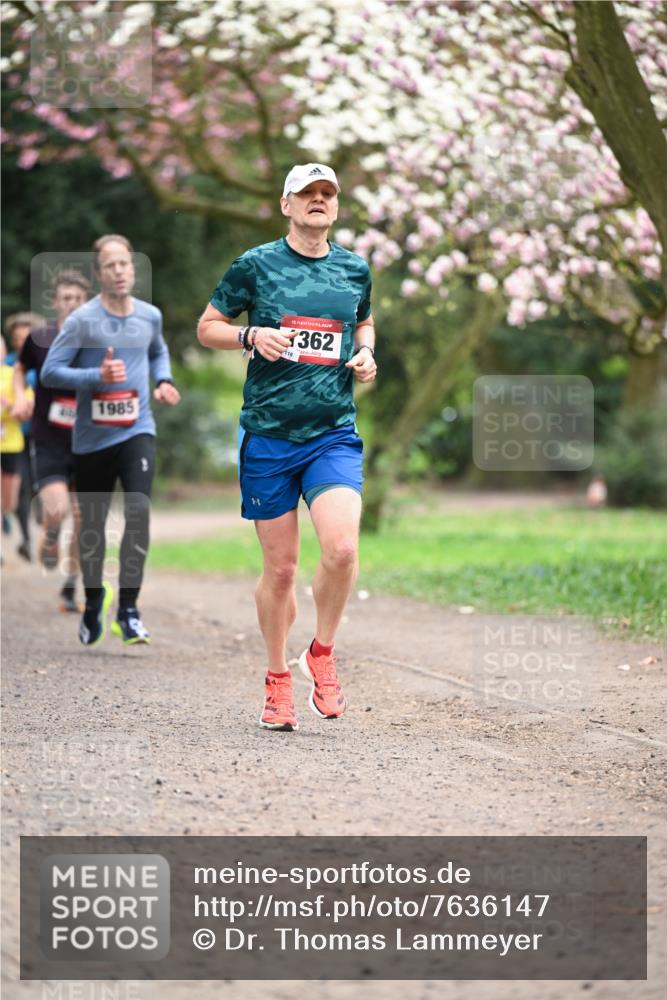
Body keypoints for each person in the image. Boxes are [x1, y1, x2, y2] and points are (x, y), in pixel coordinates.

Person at [198, 163, 377, 731]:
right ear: (287, 205)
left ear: (336, 206)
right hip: (270, 437)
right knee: (280, 571)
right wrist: (250, 335)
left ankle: (320, 654)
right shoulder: (255, 265)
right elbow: (207, 327)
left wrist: (367, 354)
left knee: (343, 550)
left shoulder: (354, 269)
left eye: (327, 194)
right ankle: (277, 679)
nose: (318, 201)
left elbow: (364, 323)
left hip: (332, 433)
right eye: (308, 194)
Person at [42, 234, 180, 646]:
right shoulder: (82, 320)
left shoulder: (149, 316)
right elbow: (52, 372)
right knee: (94, 530)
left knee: (138, 513)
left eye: (125, 263)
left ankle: (130, 610)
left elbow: (158, 351)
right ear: (99, 273)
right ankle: (93, 600)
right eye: (110, 265)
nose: (119, 271)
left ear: (133, 269)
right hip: (91, 441)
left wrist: (164, 379)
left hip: (137, 429)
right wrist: (95, 378)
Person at [13, 270, 91, 612]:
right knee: (58, 508)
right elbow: (19, 368)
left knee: (84, 516)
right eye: (65, 298)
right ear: (55, 302)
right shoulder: (40, 336)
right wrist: (21, 396)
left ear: (86, 302)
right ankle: (52, 532)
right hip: (49, 437)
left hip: (89, 438)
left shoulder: (99, 337)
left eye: (77, 298)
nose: (71, 304)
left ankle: (70, 586)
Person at [3, 312, 41, 561]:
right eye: (16, 338)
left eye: (25, 338)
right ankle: (26, 539)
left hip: (40, 435)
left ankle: (37, 535)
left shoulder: (44, 362)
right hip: (15, 437)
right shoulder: (7, 364)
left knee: (36, 485)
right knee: (23, 488)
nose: (20, 343)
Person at [1, 335, 34, 539]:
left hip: (11, 444)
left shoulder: (15, 375)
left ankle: (7, 516)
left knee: (9, 501)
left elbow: (26, 413)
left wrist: (10, 406)